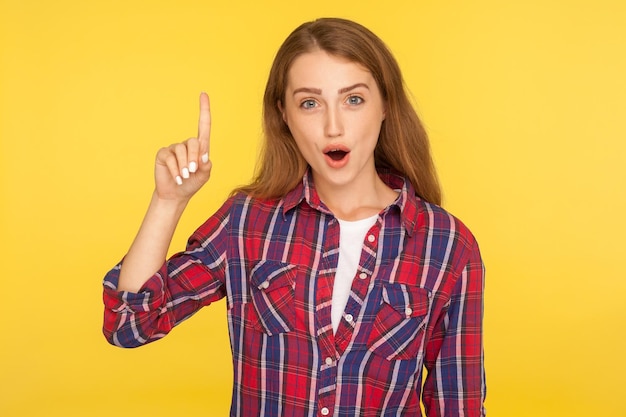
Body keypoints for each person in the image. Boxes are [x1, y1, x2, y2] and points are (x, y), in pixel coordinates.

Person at [102, 17, 486, 417]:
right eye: (310, 103)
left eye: (353, 99)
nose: (333, 126)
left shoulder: (447, 245)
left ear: (385, 104)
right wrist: (168, 202)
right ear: (283, 113)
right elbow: (129, 325)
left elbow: (458, 404)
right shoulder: (247, 222)